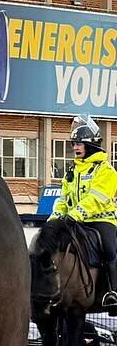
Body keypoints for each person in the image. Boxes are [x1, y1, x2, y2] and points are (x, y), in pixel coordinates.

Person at [50, 115, 117, 307]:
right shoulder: (73, 171)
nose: (75, 147)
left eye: (79, 144)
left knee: (109, 249)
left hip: (101, 221)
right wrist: (53, 221)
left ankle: (113, 292)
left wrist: (75, 215)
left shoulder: (106, 170)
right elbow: (63, 200)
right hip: (74, 220)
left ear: (91, 145)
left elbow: (96, 199)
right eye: (74, 144)